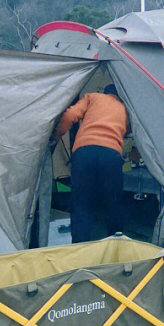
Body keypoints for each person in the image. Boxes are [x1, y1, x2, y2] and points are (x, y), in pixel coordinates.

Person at [52, 84, 129, 243]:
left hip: (84, 152)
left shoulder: (93, 97)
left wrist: (55, 136)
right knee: (114, 203)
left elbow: (70, 115)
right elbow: (129, 131)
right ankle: (115, 246)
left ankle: (80, 248)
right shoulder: (125, 108)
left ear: (104, 92)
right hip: (111, 155)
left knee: (80, 203)